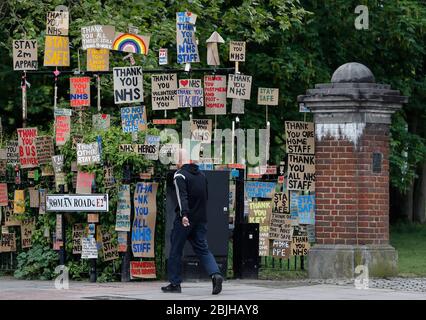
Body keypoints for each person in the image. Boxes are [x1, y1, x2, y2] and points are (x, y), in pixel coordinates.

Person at [161, 148, 224, 294]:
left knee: (175, 249)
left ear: (181, 161)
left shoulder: (180, 176)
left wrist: (184, 215)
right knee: (203, 249)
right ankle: (216, 274)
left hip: (185, 219)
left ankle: (175, 284)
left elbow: (182, 197)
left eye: (177, 159)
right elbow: (205, 197)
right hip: (200, 219)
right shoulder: (202, 175)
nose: (176, 162)